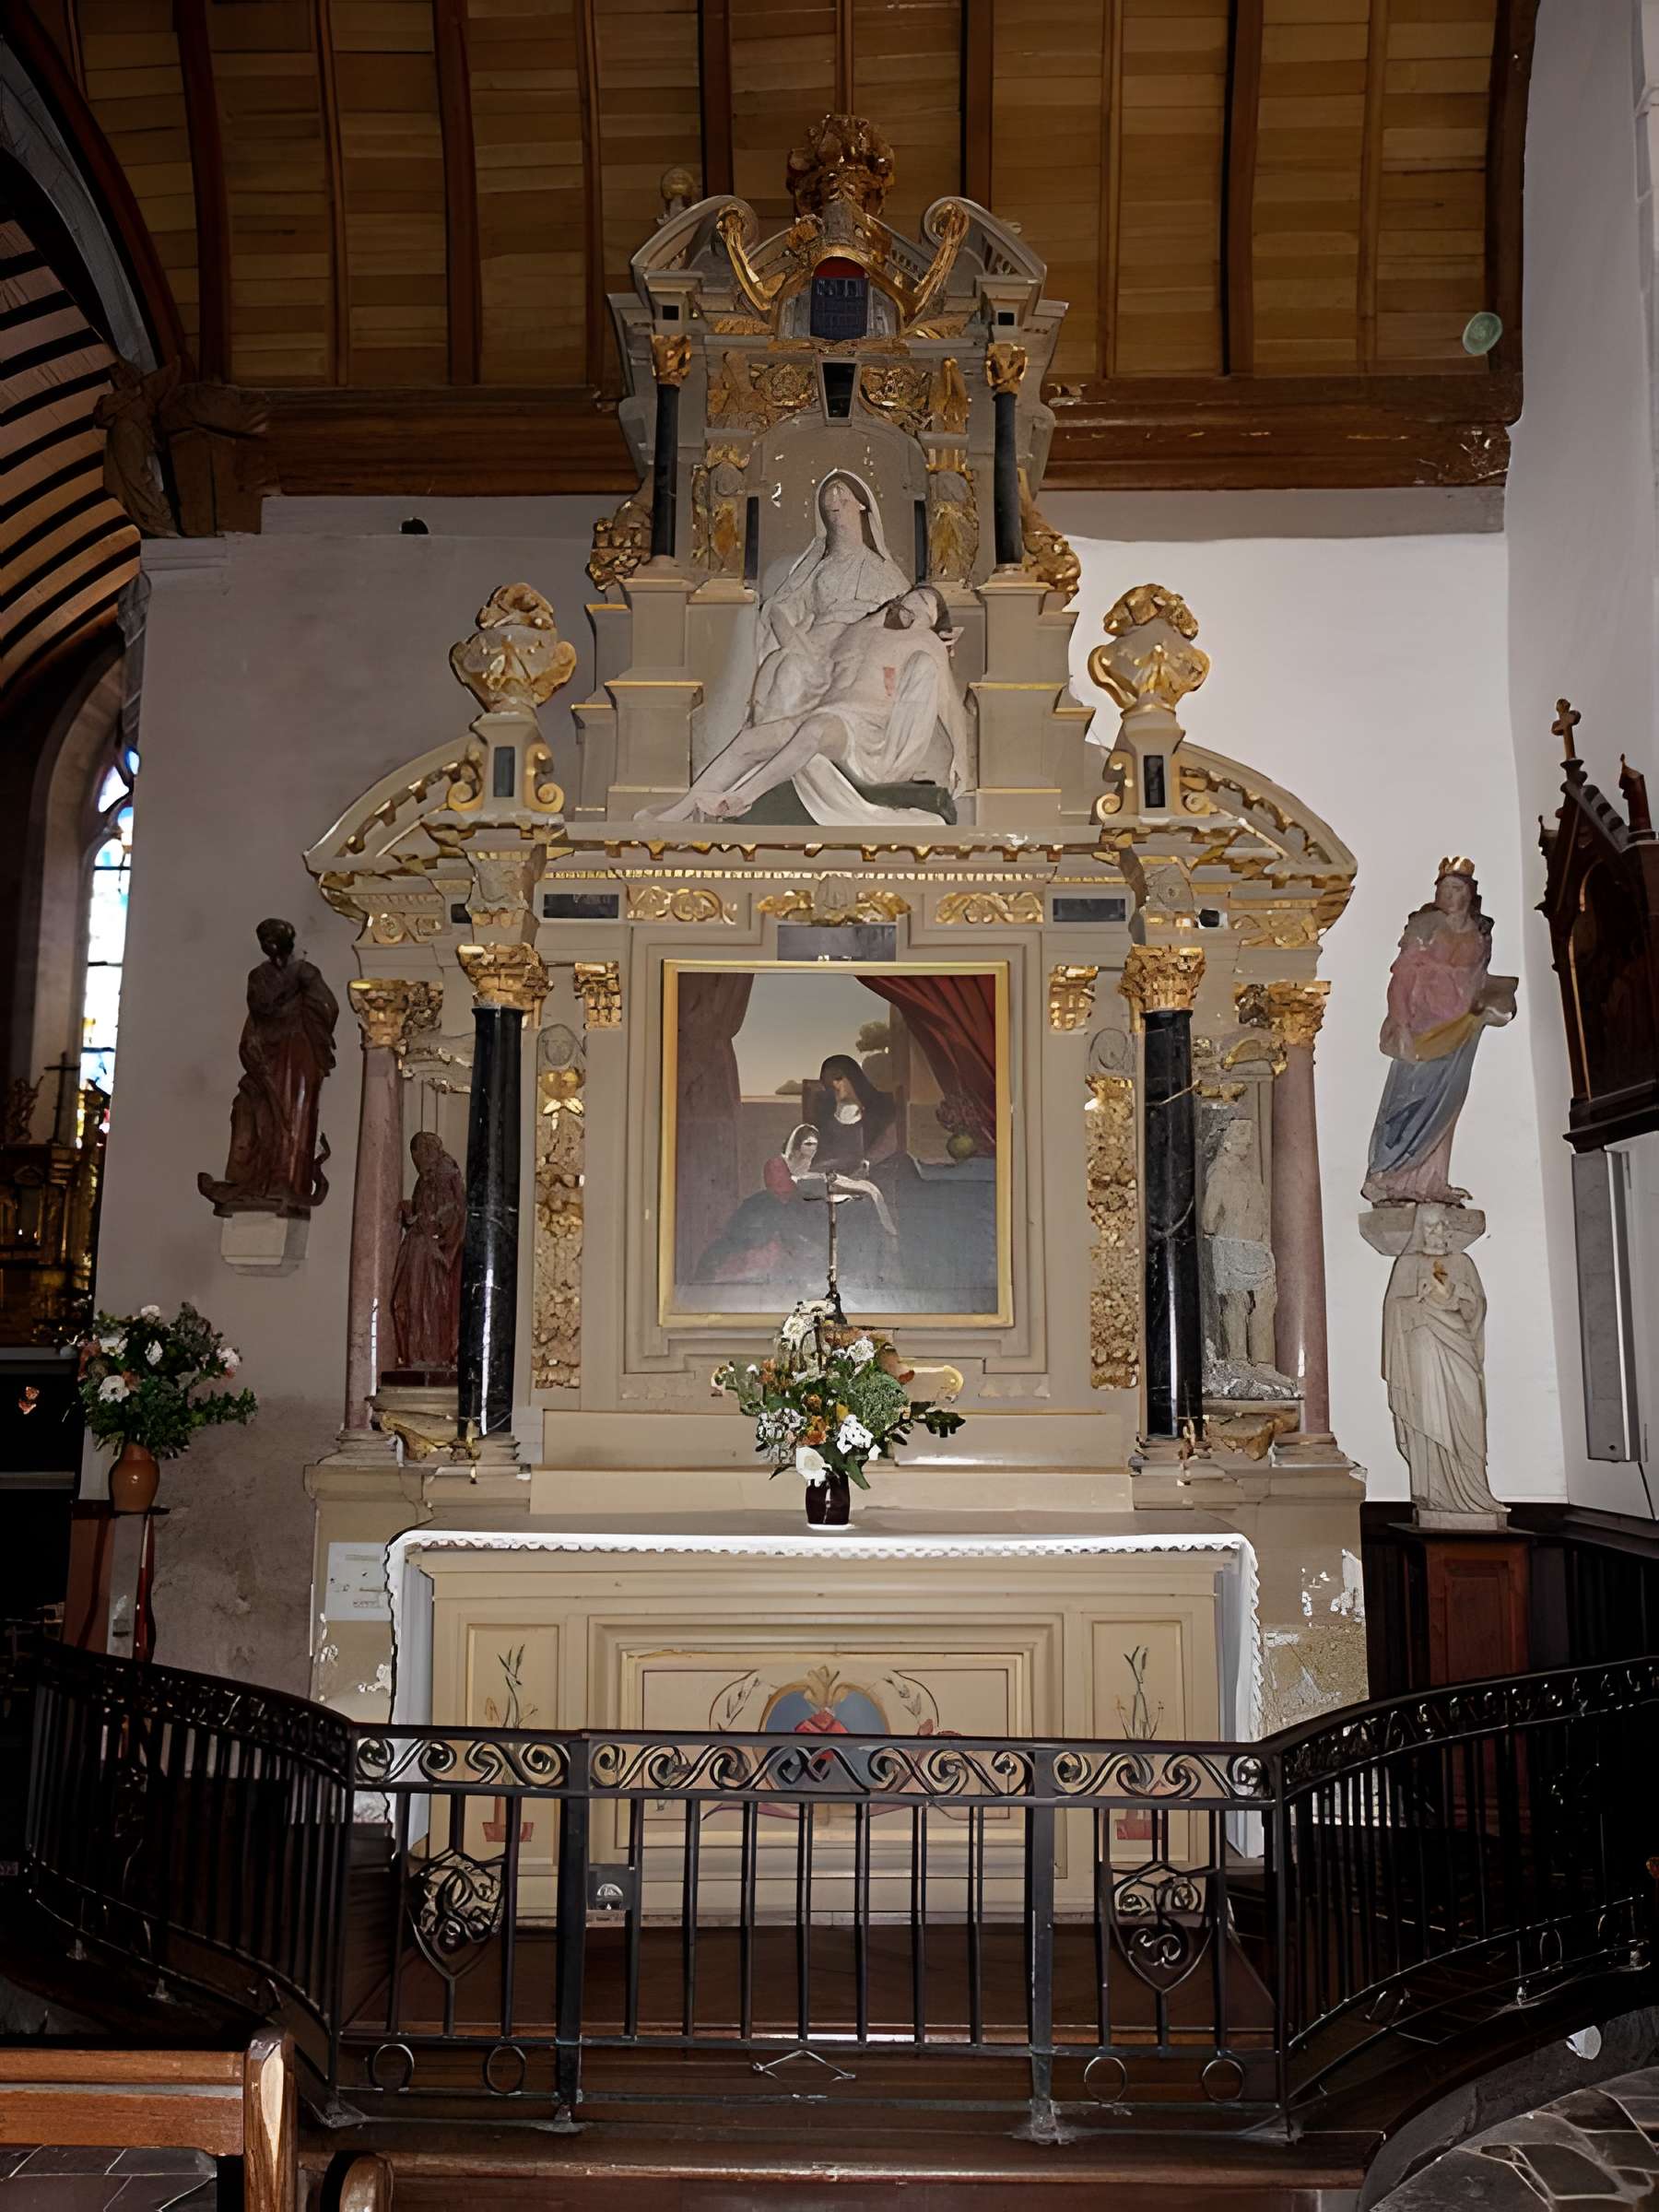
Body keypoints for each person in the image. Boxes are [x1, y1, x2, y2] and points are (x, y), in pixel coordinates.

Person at [652, 587, 970, 825]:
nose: (915, 598)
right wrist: (778, 613)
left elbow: (950, 705)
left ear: (932, 620)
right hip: (826, 714)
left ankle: (742, 799)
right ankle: (683, 807)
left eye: (926, 600)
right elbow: (800, 648)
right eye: (913, 594)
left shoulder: (925, 642)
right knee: (750, 741)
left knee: (815, 730)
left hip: (866, 735)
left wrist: (963, 765)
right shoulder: (855, 632)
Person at [1362, 860, 1515, 1205]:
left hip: (1463, 1027)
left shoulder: (1479, 934)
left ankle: (1431, 1181)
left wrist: (1497, 1003)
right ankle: (1386, 1174)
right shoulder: (1425, 924)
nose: (1449, 895)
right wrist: (1400, 1023)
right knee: (1409, 1098)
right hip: (1423, 1026)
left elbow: (1477, 979)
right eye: (1444, 889)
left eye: (1457, 889)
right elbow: (1402, 976)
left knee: (1448, 1103)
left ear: (1470, 893)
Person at [198, 919, 338, 1217]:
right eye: (264, 940)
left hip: (297, 1053)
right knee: (254, 1111)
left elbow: (327, 1006)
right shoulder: (258, 975)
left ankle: (286, 1180)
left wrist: (310, 1025)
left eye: (274, 939)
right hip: (265, 1053)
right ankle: (252, 1180)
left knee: (294, 1115)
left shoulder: (304, 972)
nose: (269, 945)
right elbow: (259, 1008)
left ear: (287, 941)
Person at [1382, 1207, 1502, 1520]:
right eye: (1430, 1227)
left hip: (1460, 1346)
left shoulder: (1463, 1263)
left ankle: (1476, 1490)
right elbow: (1393, 1316)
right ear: (1420, 1230)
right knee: (1430, 1417)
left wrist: (1459, 1294)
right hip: (1424, 1350)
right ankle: (1436, 1494)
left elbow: (1478, 1306)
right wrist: (1418, 1300)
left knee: (1470, 1415)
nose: (1436, 1233)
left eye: (1441, 1227)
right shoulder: (1407, 1264)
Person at [389, 1131, 465, 1371]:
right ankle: (417, 1355)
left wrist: (420, 1220)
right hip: (420, 1248)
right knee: (405, 1301)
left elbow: (450, 1214)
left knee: (425, 1304)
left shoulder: (443, 1172)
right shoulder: (427, 1177)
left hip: (432, 1253)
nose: (417, 1161)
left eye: (418, 1155)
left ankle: (429, 1356)